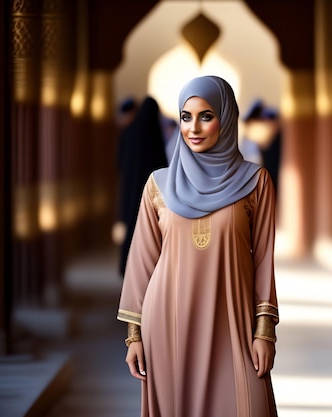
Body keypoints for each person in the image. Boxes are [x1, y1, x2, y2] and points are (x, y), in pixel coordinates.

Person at [117, 76, 279, 416]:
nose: (194, 127)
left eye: (206, 115)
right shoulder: (158, 185)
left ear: (226, 117)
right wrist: (135, 335)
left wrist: (264, 332)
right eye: (186, 116)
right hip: (168, 323)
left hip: (233, 320)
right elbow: (142, 263)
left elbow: (264, 261)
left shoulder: (255, 182)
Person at [116, 96, 168, 277]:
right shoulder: (154, 135)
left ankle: (129, 269)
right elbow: (162, 165)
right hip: (150, 193)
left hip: (131, 191)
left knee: (132, 228)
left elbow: (119, 163)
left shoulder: (129, 133)